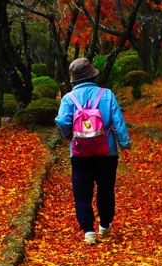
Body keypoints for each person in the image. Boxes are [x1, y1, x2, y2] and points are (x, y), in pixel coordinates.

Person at [55, 58, 131, 245]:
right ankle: (104, 226)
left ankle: (88, 231)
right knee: (106, 189)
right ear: (92, 75)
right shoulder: (107, 95)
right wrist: (125, 145)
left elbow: (63, 121)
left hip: (80, 153)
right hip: (107, 152)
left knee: (82, 192)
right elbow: (118, 122)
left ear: (74, 79)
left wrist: (69, 136)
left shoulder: (68, 99)